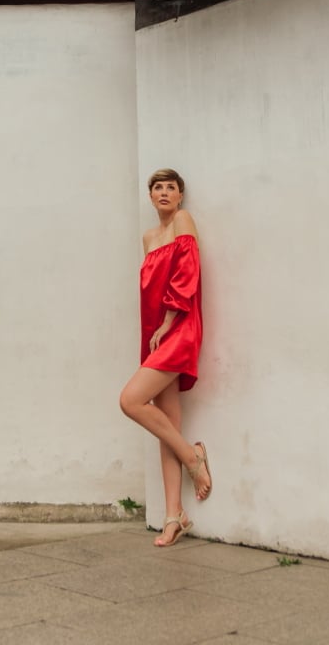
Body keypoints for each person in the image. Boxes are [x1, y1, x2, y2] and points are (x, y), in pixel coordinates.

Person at [119, 168, 210, 547]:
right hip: (156, 333)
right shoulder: (148, 237)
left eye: (171, 187)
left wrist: (168, 322)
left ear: (180, 196)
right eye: (158, 187)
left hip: (179, 326)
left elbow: (187, 273)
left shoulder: (182, 222)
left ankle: (193, 458)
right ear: (150, 195)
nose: (164, 193)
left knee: (130, 401)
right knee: (165, 423)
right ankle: (174, 516)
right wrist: (154, 330)